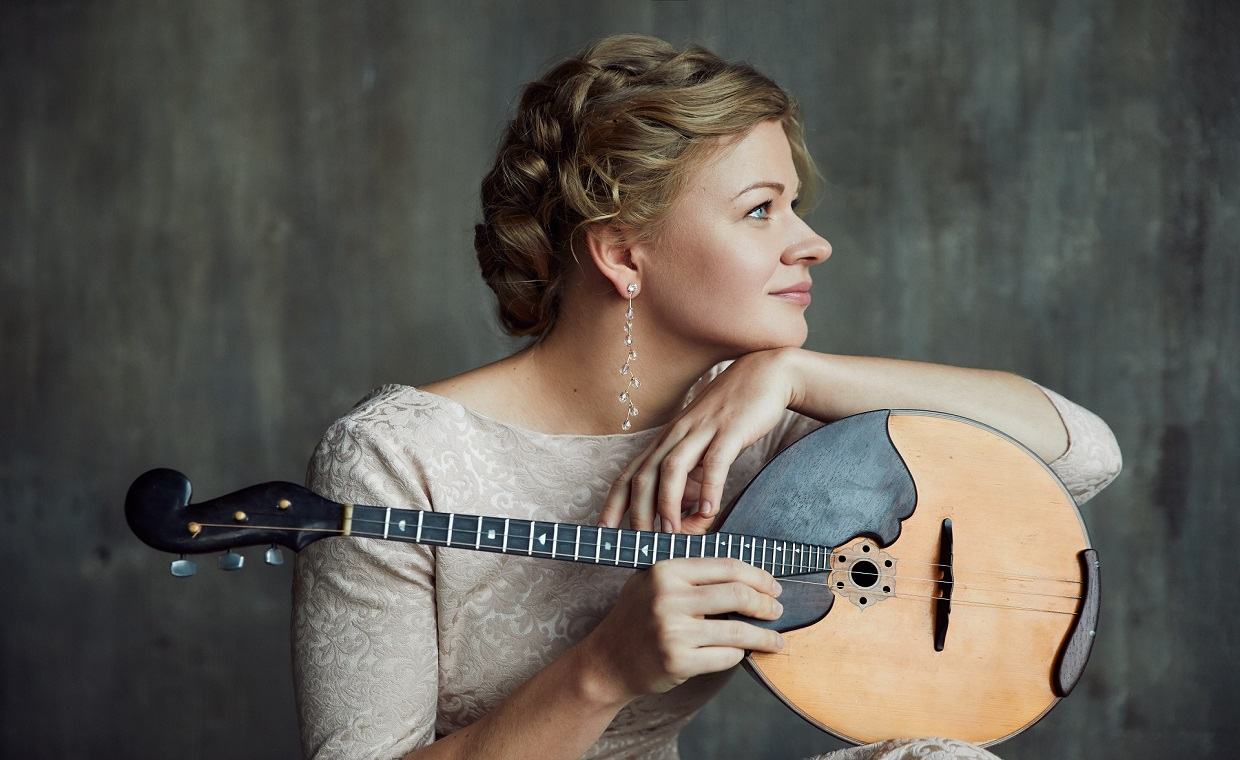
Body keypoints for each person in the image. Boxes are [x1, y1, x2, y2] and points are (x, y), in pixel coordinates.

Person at [292, 34, 1122, 760]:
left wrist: (797, 375)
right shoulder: (395, 460)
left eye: (794, 206)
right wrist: (602, 672)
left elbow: (1082, 455)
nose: (814, 243)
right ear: (623, 254)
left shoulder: (753, 427)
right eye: (761, 210)